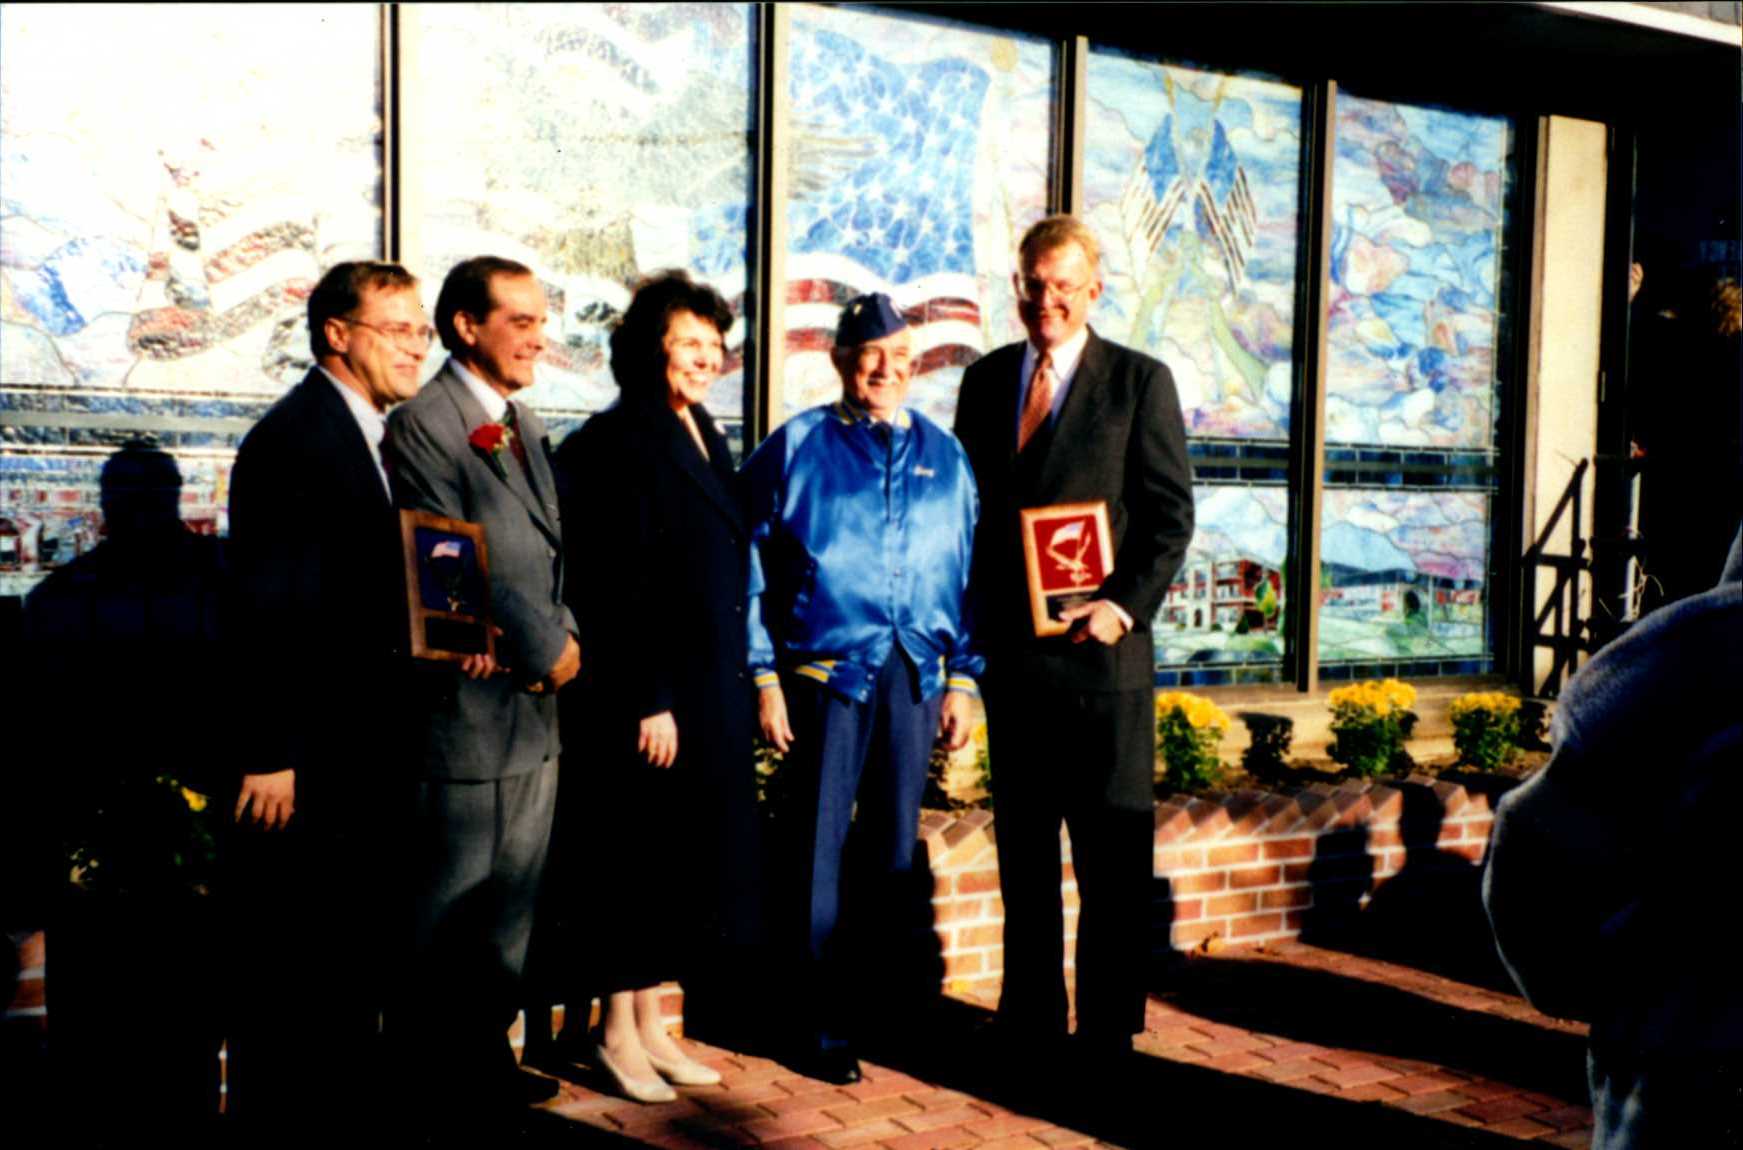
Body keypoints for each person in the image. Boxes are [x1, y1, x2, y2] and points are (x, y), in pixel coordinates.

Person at [954, 214, 1194, 1064]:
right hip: (1016, 666)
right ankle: (1028, 1016)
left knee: (1109, 861)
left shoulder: (1138, 382)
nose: (1046, 300)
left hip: (1103, 664)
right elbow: (973, 526)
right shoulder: (983, 383)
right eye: (1033, 283)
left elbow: (1169, 520)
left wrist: (1121, 604)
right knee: (1023, 854)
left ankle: (1105, 1032)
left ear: (1094, 290)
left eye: (1064, 285)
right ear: (1015, 287)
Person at [534, 271, 759, 1102]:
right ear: (646, 350)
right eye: (687, 344)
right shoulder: (618, 439)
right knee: (629, 865)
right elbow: (611, 586)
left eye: (713, 345)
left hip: (707, 690)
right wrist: (647, 696)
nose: (705, 360)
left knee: (673, 866)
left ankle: (651, 1025)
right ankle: (613, 1036)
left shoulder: (699, 426)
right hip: (650, 699)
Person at [744, 292, 980, 1084]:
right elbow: (744, 565)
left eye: (902, 360)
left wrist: (964, 680)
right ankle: (811, 1020)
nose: (886, 371)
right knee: (814, 847)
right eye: (871, 356)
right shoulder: (798, 446)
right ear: (841, 360)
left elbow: (970, 573)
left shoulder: (946, 456)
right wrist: (762, 673)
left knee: (890, 852)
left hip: (913, 676)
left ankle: (882, 1014)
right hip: (825, 675)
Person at [224, 260, 428, 1138]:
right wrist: (269, 751)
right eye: (397, 329)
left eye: (421, 330)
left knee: (350, 960)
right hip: (313, 760)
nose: (416, 346)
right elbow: (265, 609)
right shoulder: (294, 440)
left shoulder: (381, 436)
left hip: (371, 748)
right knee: (304, 967)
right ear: (337, 336)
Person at [384, 255, 581, 1117]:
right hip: (467, 718)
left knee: (509, 911)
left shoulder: (522, 422)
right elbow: (458, 553)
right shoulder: (427, 425)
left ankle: (485, 1066)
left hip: (532, 717)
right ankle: (435, 1085)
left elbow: (550, 554)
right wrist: (550, 648)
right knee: (450, 916)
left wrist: (566, 634)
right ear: (466, 326)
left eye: (542, 320)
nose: (540, 337)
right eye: (521, 321)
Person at [1483, 525, 1742, 1149]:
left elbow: (1530, 857)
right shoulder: (1701, 655)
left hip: (1685, 1062)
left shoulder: (1697, 656)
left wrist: (1612, 994)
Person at [22, 442, 229, 1143]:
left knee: (94, 1014)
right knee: (187, 1014)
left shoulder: (57, 598)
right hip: (196, 836)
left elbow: (36, 738)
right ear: (177, 498)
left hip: (93, 837)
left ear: (106, 506)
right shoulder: (222, 579)